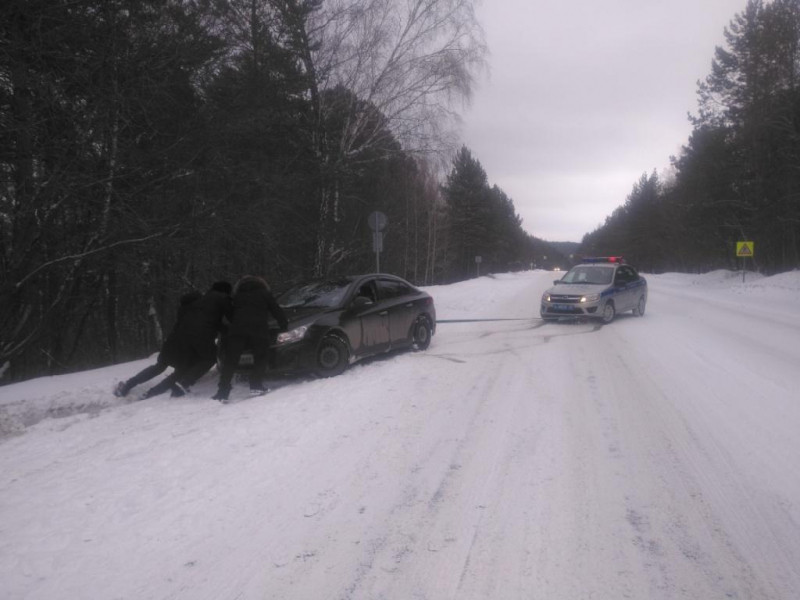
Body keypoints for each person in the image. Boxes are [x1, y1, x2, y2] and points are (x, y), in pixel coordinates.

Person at [114, 281, 233, 399]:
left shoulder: (189, 308)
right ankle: (153, 392)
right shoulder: (211, 303)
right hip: (191, 341)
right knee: (186, 368)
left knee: (159, 366)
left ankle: (128, 385)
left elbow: (208, 322)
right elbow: (212, 323)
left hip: (173, 340)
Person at [113, 289, 202, 398]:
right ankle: (151, 393)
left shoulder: (182, 310)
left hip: (170, 344)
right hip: (185, 348)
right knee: (178, 373)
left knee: (158, 367)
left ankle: (128, 385)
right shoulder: (198, 313)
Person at [213, 275, 288, 403]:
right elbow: (276, 310)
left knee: (231, 360)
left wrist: (236, 323)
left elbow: (231, 314)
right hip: (258, 330)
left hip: (237, 331)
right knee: (260, 357)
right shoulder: (265, 294)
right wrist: (284, 325)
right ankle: (256, 386)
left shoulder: (237, 297)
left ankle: (222, 392)